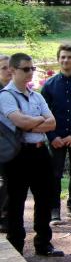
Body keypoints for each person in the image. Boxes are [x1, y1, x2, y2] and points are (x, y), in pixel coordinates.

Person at [0, 53, 64, 256]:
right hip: (18, 155)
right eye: (26, 69)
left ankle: (43, 243)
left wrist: (31, 123)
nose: (30, 72)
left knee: (44, 198)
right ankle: (16, 244)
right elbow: (21, 122)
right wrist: (38, 121)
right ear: (13, 70)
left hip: (40, 153)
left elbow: (52, 123)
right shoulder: (5, 96)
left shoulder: (37, 96)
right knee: (16, 200)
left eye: (32, 68)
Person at [41, 45, 71, 225]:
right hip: (55, 137)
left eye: (70, 57)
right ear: (58, 59)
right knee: (54, 174)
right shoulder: (49, 85)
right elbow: (42, 113)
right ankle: (54, 209)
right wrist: (52, 136)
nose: (66, 60)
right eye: (63, 57)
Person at [0, 54, 10, 233]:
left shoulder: (16, 90)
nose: (9, 70)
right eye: (3, 68)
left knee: (10, 182)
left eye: (11, 67)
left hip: (15, 146)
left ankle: (7, 216)